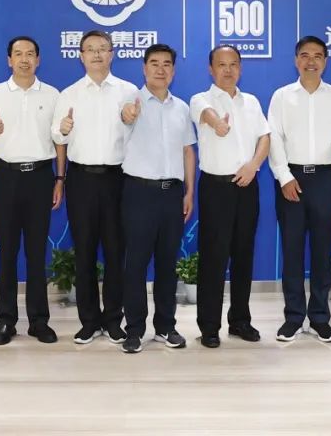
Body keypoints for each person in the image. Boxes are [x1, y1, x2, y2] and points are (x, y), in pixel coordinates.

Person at [0, 36, 64, 346]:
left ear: (38, 60)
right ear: (9, 60)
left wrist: (60, 179)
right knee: (8, 253)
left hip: (41, 177)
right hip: (7, 177)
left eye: (30, 54)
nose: (24, 59)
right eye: (18, 54)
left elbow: (59, 141)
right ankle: (5, 321)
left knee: (37, 253)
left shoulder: (52, 95)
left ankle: (39, 321)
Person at [268, 36, 331, 343]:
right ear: (296, 60)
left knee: (321, 250)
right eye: (305, 55)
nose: (311, 61)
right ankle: (293, 317)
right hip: (291, 178)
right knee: (292, 251)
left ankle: (319, 317)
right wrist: (284, 177)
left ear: (325, 61)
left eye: (318, 56)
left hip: (325, 179)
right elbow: (274, 138)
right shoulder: (281, 96)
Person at [52, 29, 135, 345]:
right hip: (81, 180)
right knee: (84, 252)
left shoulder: (128, 92)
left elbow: (140, 134)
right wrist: (62, 128)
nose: (97, 54)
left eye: (103, 48)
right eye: (90, 49)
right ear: (81, 56)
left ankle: (113, 320)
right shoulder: (69, 94)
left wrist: (130, 119)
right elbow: (57, 136)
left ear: (112, 54)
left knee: (116, 252)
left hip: (118, 179)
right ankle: (88, 321)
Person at [190, 45, 270, 348]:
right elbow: (207, 116)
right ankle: (209, 326)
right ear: (211, 69)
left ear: (240, 68)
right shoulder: (201, 99)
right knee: (213, 258)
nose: (228, 70)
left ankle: (240, 321)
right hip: (216, 188)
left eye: (233, 64)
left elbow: (265, 137)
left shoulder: (251, 102)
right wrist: (218, 123)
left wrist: (254, 165)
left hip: (247, 185)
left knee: (243, 255)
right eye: (221, 65)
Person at [118, 44, 196, 353]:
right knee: (136, 264)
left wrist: (189, 191)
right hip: (139, 192)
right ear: (144, 68)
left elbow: (187, 151)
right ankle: (134, 330)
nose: (160, 69)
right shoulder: (130, 102)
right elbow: (125, 118)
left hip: (172, 194)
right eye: (154, 63)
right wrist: (128, 114)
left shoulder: (182, 108)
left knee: (167, 264)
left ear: (173, 71)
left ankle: (165, 327)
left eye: (166, 64)